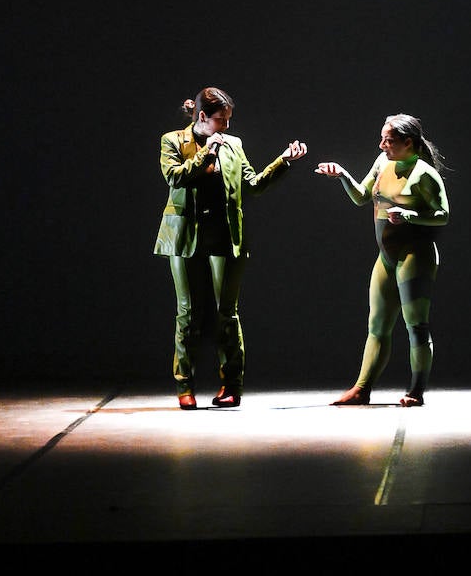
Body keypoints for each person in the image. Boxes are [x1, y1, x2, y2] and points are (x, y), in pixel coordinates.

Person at [154, 86, 308, 410]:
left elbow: (252, 184)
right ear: (202, 118)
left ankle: (232, 386)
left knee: (227, 313)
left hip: (224, 235)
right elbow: (175, 178)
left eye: (228, 120)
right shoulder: (173, 141)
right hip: (184, 236)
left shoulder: (233, 145)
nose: (226, 127)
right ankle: (184, 386)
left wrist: (284, 161)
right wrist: (206, 153)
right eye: (220, 121)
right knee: (188, 313)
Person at [315, 113, 449, 407]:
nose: (381, 145)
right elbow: (361, 197)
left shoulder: (424, 173)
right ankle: (361, 388)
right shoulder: (382, 163)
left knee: (416, 325)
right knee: (376, 325)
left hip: (415, 255)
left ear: (407, 142)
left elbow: (443, 214)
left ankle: (416, 391)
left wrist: (411, 215)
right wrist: (343, 176)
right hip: (386, 257)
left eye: (388, 140)